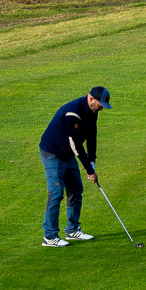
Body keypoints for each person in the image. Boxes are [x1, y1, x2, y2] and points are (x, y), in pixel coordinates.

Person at [40, 86, 110, 247]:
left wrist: (92, 160)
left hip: (67, 153)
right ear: (91, 99)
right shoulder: (73, 112)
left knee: (76, 190)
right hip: (52, 152)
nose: (101, 109)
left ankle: (72, 230)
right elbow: (76, 145)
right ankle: (49, 236)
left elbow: (92, 136)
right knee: (56, 192)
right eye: (100, 105)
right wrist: (89, 171)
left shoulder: (93, 111)